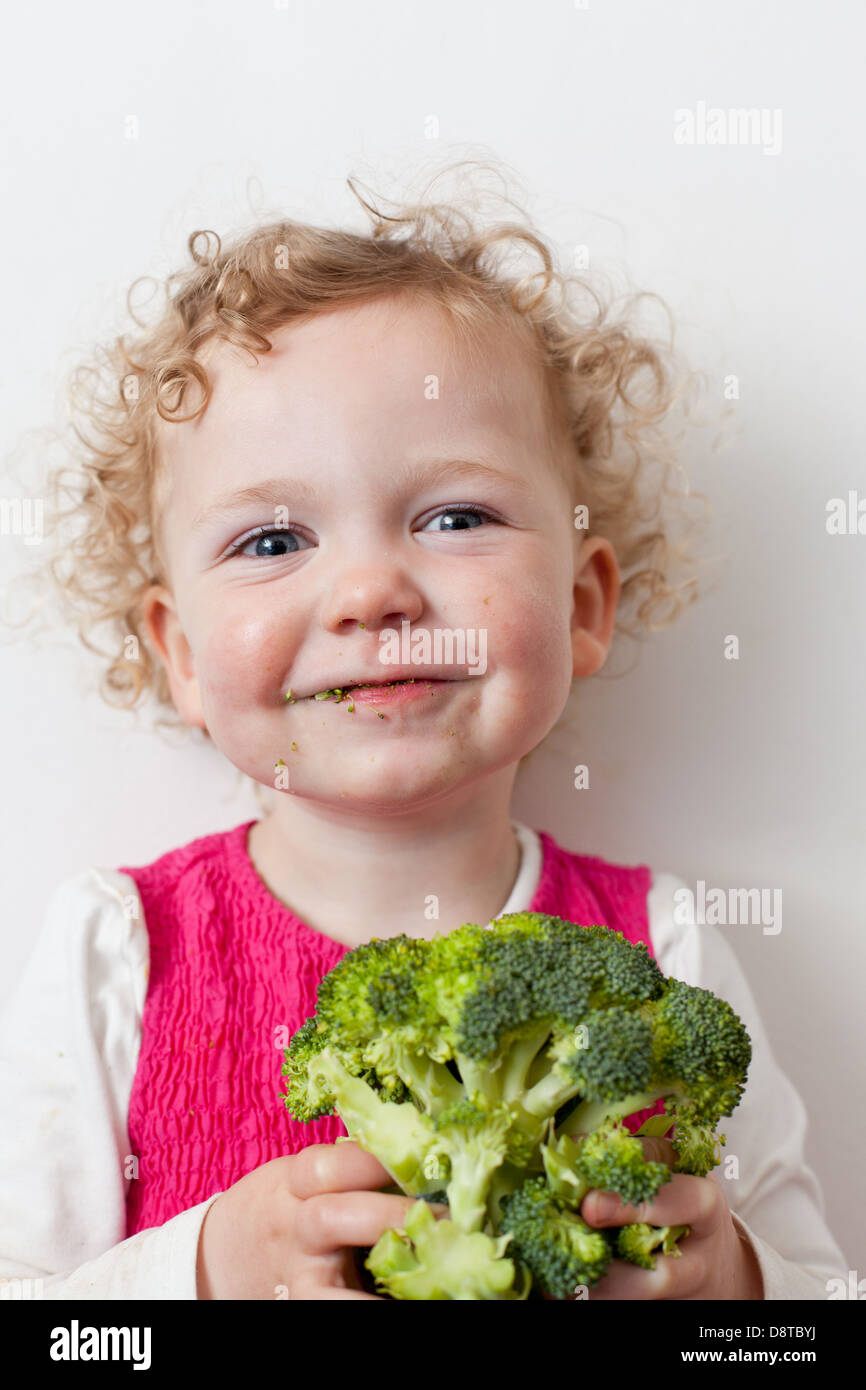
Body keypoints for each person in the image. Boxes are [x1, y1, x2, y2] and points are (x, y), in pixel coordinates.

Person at [0, 162, 848, 1300]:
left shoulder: (666, 948)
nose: (370, 592)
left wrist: (733, 1285)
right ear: (182, 654)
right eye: (269, 540)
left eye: (455, 517)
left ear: (582, 605)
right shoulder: (121, 948)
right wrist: (199, 1272)